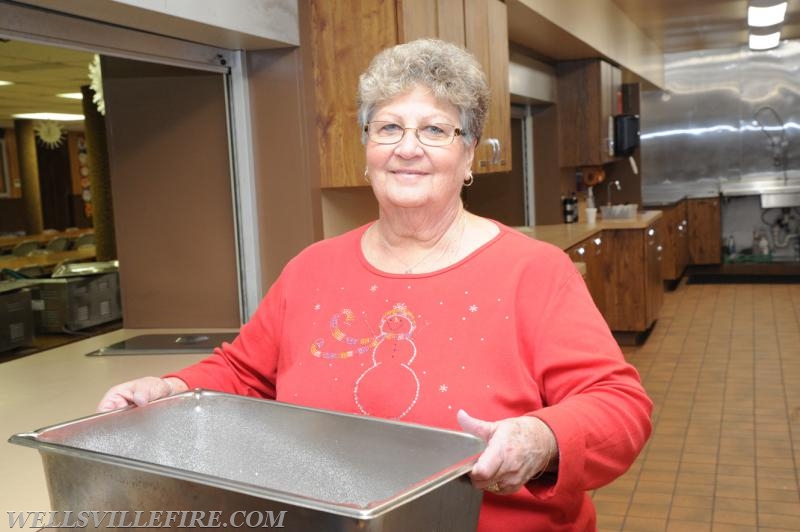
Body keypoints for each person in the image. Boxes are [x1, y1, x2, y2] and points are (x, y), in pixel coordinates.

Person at [98, 39, 652, 531]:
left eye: (435, 129)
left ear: (469, 157)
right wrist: (169, 390)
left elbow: (619, 407)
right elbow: (244, 372)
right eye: (388, 127)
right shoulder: (311, 270)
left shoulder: (533, 272)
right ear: (367, 150)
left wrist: (542, 439)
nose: (407, 148)